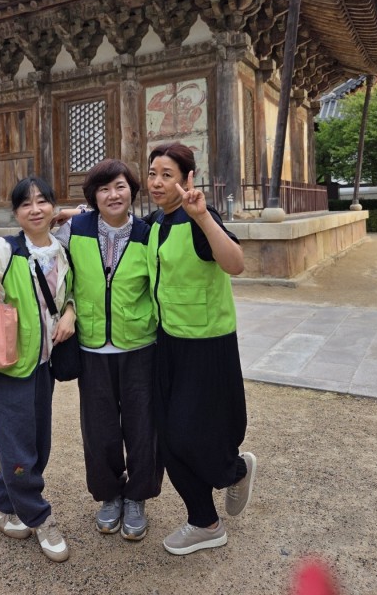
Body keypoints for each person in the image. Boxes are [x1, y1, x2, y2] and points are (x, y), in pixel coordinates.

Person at [146, 142, 256, 556]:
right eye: (152, 173)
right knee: (168, 438)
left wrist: (204, 216)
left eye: (167, 175)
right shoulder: (156, 223)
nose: (157, 182)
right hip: (168, 342)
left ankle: (234, 470)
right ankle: (205, 521)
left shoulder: (197, 220)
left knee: (189, 434)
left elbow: (235, 263)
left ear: (186, 179)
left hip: (207, 343)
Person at [0, 176, 76, 563]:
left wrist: (71, 313)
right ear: (15, 213)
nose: (35, 209)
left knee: (38, 444)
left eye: (42, 201)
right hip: (8, 364)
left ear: (53, 207)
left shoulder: (60, 251)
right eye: (25, 204)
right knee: (17, 447)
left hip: (43, 362)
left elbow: (69, 293)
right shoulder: (3, 248)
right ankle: (38, 517)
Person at [55, 159, 163, 541]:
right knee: (98, 430)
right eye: (103, 189)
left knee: (142, 428)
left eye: (119, 186)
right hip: (92, 348)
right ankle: (109, 495)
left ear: (132, 191)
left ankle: (137, 497)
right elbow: (57, 275)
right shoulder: (75, 230)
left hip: (140, 346)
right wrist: (68, 308)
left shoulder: (149, 234)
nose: (112, 195)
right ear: (93, 196)